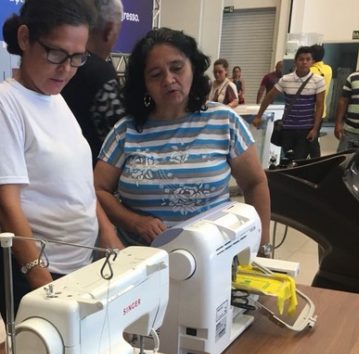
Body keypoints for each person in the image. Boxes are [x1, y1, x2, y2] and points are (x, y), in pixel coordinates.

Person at [0, 0, 123, 321]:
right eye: (56, 53)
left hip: (81, 265)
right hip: (40, 272)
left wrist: (108, 233)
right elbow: (6, 203)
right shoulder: (3, 102)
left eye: (77, 57)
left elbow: (79, 182)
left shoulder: (55, 98)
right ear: (25, 38)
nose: (66, 68)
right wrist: (39, 278)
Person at [94, 28, 272, 256]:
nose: (169, 80)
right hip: (142, 263)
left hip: (214, 260)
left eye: (177, 68)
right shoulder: (126, 130)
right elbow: (98, 189)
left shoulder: (224, 121)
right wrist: (134, 221)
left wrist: (261, 247)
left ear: (193, 68)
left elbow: (254, 183)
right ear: (144, 83)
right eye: (155, 74)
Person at [61, 0, 125, 165]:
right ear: (109, 30)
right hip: (93, 177)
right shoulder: (102, 75)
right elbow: (120, 137)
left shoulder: (58, 67)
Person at [252, 46, 325, 161]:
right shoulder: (285, 79)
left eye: (308, 59)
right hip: (288, 128)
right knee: (286, 160)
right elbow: (269, 96)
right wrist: (258, 116)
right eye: (301, 59)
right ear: (295, 61)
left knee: (299, 160)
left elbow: (320, 105)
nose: (304, 62)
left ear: (312, 62)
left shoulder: (318, 80)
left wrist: (315, 129)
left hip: (306, 129)